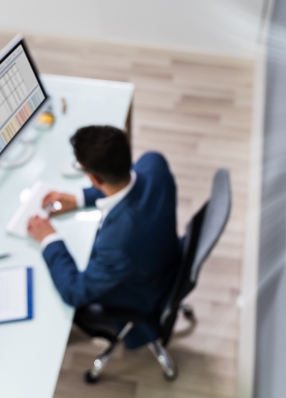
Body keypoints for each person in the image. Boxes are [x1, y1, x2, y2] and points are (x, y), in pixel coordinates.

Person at [27, 125, 181, 349]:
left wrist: (48, 238)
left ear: (95, 179)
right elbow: (128, 181)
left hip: (141, 292)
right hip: (165, 256)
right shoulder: (154, 163)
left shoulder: (118, 242)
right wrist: (78, 198)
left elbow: (74, 292)